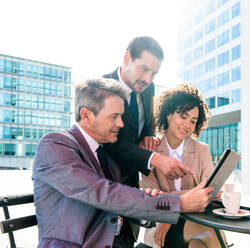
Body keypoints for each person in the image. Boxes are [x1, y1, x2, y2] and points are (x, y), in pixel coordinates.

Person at [32, 78, 213, 248]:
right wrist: (177, 203)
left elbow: (125, 197)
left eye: (121, 116)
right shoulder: (55, 145)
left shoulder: (106, 152)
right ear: (86, 115)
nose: (121, 124)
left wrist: (151, 198)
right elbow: (107, 194)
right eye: (114, 116)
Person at [142, 83, 226, 248]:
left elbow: (207, 193)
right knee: (208, 232)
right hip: (162, 225)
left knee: (198, 245)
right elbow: (152, 199)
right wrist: (192, 196)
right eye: (183, 116)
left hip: (198, 220)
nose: (187, 124)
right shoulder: (151, 151)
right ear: (168, 115)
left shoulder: (202, 150)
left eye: (193, 120)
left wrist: (204, 196)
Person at [103, 36, 191, 190]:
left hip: (132, 181)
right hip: (106, 181)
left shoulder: (149, 88)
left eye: (154, 73)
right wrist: (156, 159)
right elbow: (109, 142)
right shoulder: (102, 88)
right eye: (144, 69)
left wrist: (149, 135)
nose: (148, 79)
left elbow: (147, 122)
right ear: (127, 57)